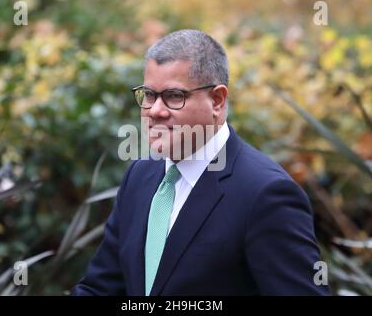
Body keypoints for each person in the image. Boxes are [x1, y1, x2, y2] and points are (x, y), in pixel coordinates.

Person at [73, 29, 330, 295]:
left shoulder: (266, 194)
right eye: (149, 95)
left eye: (174, 96)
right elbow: (100, 288)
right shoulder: (140, 175)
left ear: (217, 100)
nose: (156, 111)